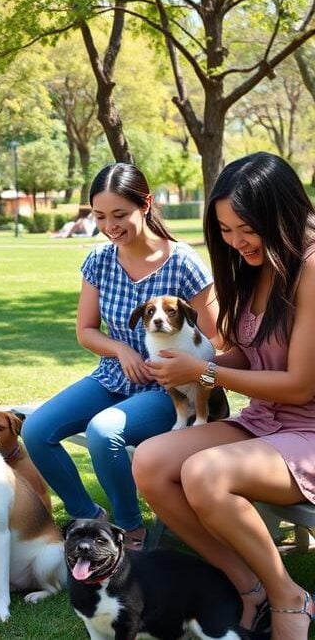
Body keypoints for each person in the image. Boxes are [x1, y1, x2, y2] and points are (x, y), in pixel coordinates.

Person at [135, 152, 315, 639]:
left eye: (245, 229)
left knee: (203, 473)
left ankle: (288, 597)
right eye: (225, 230)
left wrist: (206, 370)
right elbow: (244, 355)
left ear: (280, 214)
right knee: (149, 462)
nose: (236, 242)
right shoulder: (252, 267)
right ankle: (246, 585)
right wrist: (190, 370)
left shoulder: (311, 269)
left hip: (309, 428)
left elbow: (300, 383)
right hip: (266, 419)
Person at [21, 163, 219, 551]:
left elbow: (218, 344)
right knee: (37, 429)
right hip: (113, 376)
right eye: (99, 216)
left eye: (119, 214)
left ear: (145, 205)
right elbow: (86, 331)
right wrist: (121, 349)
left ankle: (130, 532)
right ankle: (89, 517)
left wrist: (202, 386)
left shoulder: (184, 263)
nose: (110, 226)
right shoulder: (99, 260)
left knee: (103, 431)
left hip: (169, 391)